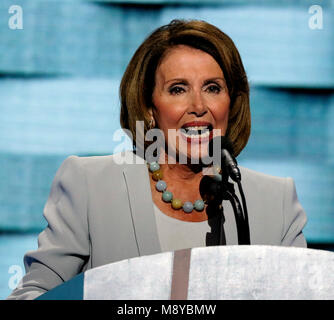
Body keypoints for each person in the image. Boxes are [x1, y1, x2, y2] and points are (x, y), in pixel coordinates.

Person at [7, 19, 307, 300]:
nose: (199, 106)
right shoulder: (90, 184)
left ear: (232, 101)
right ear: (150, 107)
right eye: (178, 89)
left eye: (212, 88)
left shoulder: (276, 201)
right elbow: (35, 293)